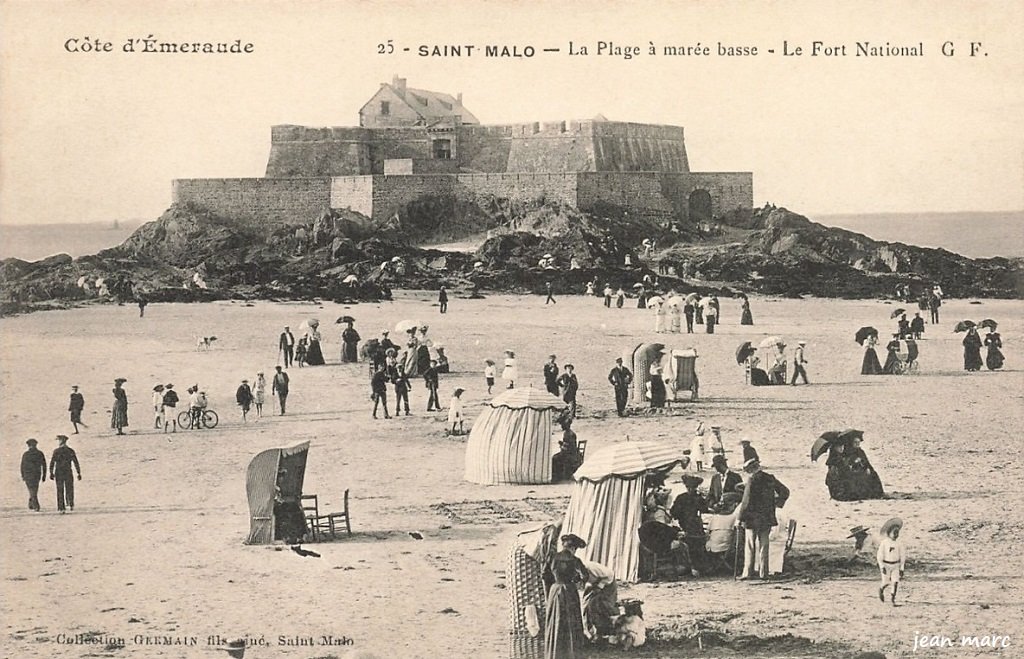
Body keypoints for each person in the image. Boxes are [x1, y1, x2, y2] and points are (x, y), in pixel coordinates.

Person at [737, 458, 789, 580]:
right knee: (764, 545)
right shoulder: (770, 478)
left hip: (752, 517)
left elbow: (746, 502)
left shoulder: (751, 480)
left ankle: (748, 573)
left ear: (750, 470)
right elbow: (785, 492)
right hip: (766, 516)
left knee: (750, 544)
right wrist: (776, 504)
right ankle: (763, 573)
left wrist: (740, 518)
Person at [544, 534, 590, 659]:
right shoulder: (575, 561)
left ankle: (554, 653)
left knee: (556, 621)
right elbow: (585, 576)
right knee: (571, 622)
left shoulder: (552, 557)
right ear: (573, 548)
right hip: (569, 592)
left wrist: (549, 592)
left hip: (555, 591)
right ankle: (570, 654)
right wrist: (575, 580)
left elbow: (544, 575)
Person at [580, 559, 617, 641]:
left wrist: (600, 586)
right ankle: (588, 631)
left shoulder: (592, 568)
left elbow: (610, 575)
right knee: (586, 605)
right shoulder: (577, 572)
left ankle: (608, 631)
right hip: (592, 585)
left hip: (608, 584)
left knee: (603, 606)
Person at [877, 518, 906, 606]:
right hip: (886, 565)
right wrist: (882, 566)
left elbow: (902, 556)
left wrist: (902, 568)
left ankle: (893, 599)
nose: (896, 535)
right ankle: (881, 589)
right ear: (889, 533)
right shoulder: (884, 543)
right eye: (894, 533)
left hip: (896, 565)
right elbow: (879, 556)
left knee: (895, 581)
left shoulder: (899, 543)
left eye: (897, 533)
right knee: (886, 582)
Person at [50, 434, 82, 514]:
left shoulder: (56, 451)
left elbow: (52, 463)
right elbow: (75, 462)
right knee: (69, 488)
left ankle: (61, 507)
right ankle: (71, 504)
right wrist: (78, 472)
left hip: (59, 472)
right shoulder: (70, 450)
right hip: (68, 471)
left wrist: (51, 472)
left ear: (61, 441)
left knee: (60, 489)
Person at [551, 415, 582, 482]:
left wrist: (563, 445)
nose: (561, 426)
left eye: (562, 425)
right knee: (555, 457)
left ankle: (558, 477)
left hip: (571, 454)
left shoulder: (570, 434)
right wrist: (563, 444)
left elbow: (571, 447)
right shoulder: (567, 433)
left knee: (555, 458)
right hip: (568, 453)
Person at [21, 439, 47, 511]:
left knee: (32, 490)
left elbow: (22, 466)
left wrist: (23, 475)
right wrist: (44, 475)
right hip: (36, 475)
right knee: (34, 490)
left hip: (28, 475)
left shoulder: (26, 454)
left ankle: (33, 504)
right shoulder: (40, 453)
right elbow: (44, 465)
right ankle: (34, 504)